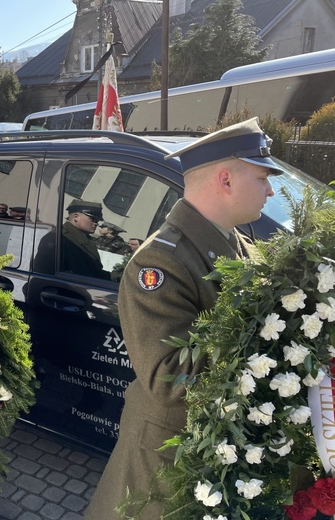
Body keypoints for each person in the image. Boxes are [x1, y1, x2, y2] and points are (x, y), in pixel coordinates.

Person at [84, 117, 282, 519]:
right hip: (173, 451)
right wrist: (267, 343)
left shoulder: (235, 239)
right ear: (225, 179)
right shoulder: (161, 261)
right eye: (263, 177)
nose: (271, 189)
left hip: (216, 441)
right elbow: (169, 377)